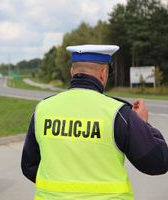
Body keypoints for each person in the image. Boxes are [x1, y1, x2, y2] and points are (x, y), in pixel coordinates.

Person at [21, 44, 168, 200]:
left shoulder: (43, 109)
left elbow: (29, 166)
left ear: (72, 71)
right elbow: (158, 162)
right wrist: (143, 125)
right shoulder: (118, 113)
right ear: (104, 73)